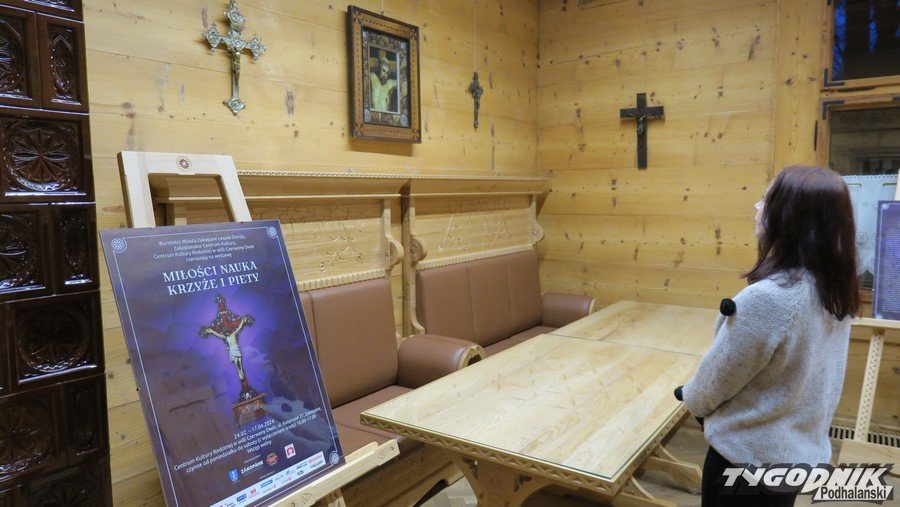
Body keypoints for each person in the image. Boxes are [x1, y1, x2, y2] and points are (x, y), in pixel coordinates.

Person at [678, 165, 859, 506]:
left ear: (789, 217)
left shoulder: (770, 299)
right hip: (794, 461)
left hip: (746, 462)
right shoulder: (833, 290)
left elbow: (715, 382)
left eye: (765, 199)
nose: (757, 206)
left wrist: (691, 400)